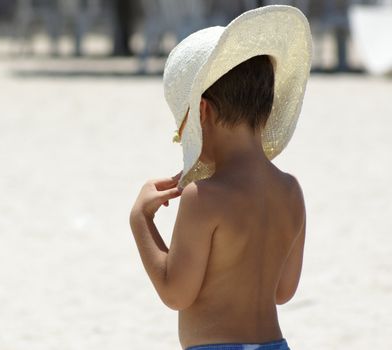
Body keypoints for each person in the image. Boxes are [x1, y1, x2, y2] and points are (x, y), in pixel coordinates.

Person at [129, 6, 312, 350]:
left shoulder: (204, 197)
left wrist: (141, 220)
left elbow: (176, 292)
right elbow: (283, 290)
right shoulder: (291, 190)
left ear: (202, 112)